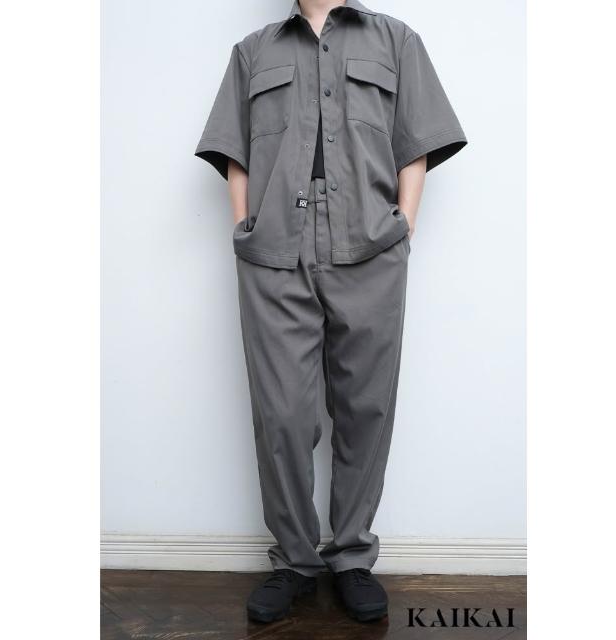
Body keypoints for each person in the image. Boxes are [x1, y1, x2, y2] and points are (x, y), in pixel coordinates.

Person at [195, 0, 466, 624]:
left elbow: (415, 143)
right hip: (274, 251)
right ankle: (294, 561)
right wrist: (245, 227)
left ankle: (351, 557)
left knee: (365, 408)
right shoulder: (253, 51)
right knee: (282, 414)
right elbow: (235, 153)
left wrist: (404, 225)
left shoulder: (396, 40)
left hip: (370, 244)